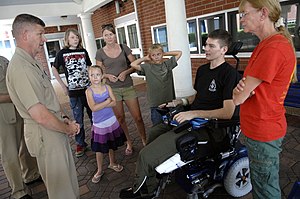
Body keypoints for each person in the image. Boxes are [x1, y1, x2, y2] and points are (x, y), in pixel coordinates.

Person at [119, 29, 241, 198]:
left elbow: (228, 112)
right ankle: (154, 175)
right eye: (206, 44)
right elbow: (198, 97)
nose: (206, 48)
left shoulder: (229, 74)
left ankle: (143, 191)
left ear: (223, 50)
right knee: (154, 132)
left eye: (211, 46)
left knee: (145, 156)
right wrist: (180, 102)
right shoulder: (203, 70)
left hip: (210, 129)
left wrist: (193, 114)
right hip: (191, 119)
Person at [6, 13, 80, 199]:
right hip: (45, 133)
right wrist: (67, 128)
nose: (44, 39)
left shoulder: (30, 63)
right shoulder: (21, 68)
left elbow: (47, 100)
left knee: (67, 184)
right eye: (40, 34)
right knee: (62, 191)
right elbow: (39, 114)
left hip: (52, 129)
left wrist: (63, 119)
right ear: (25, 34)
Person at [232, 1, 297, 198]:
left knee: (265, 190)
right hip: (262, 128)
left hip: (263, 131)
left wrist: (240, 92)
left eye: (244, 13)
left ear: (263, 13)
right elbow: (246, 90)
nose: (241, 19)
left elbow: (239, 97)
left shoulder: (273, 48)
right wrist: (243, 90)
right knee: (262, 183)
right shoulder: (268, 45)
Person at [95, 24, 146, 155]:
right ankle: (129, 142)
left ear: (115, 35)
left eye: (111, 34)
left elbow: (135, 65)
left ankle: (144, 140)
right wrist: (106, 75)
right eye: (106, 35)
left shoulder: (124, 48)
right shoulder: (100, 52)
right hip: (113, 90)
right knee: (120, 118)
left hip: (128, 87)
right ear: (103, 37)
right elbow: (98, 72)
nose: (109, 37)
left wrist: (126, 72)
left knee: (138, 117)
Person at [0, 55, 41, 199]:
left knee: (26, 145)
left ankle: (31, 174)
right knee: (10, 153)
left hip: (19, 109)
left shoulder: (3, 59)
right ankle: (18, 191)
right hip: (3, 115)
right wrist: (14, 95)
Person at [52, 28, 93, 157]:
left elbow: (89, 67)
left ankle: (97, 138)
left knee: (93, 116)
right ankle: (80, 144)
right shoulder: (62, 53)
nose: (75, 39)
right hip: (74, 93)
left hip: (88, 90)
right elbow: (54, 69)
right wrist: (63, 86)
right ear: (67, 39)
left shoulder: (83, 51)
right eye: (72, 37)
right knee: (78, 119)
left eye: (77, 37)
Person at [86, 65, 127, 183]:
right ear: (89, 77)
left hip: (111, 120)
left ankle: (112, 163)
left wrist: (105, 103)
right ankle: (99, 170)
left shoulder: (107, 87)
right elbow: (93, 108)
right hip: (99, 123)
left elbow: (114, 103)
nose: (95, 77)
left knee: (111, 143)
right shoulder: (89, 91)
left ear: (102, 75)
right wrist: (107, 101)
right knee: (99, 149)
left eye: (97, 74)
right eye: (92, 75)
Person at [130, 44, 182, 126]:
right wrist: (145, 58)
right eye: (153, 55)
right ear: (150, 56)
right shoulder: (147, 67)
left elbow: (179, 53)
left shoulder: (168, 64)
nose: (156, 57)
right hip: (155, 103)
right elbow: (133, 64)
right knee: (157, 125)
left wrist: (164, 53)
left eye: (158, 54)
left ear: (162, 54)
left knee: (171, 124)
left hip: (169, 102)